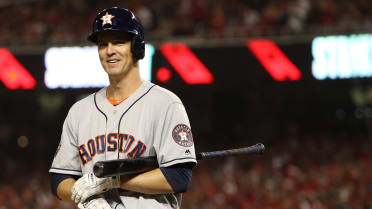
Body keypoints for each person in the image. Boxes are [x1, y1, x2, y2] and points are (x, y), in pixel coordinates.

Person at [49, 7, 196, 209]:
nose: (109, 50)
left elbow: (179, 177)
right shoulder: (79, 111)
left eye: (118, 42)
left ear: (136, 47)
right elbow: (59, 178)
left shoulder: (166, 104)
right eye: (103, 44)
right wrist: (85, 196)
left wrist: (114, 181)